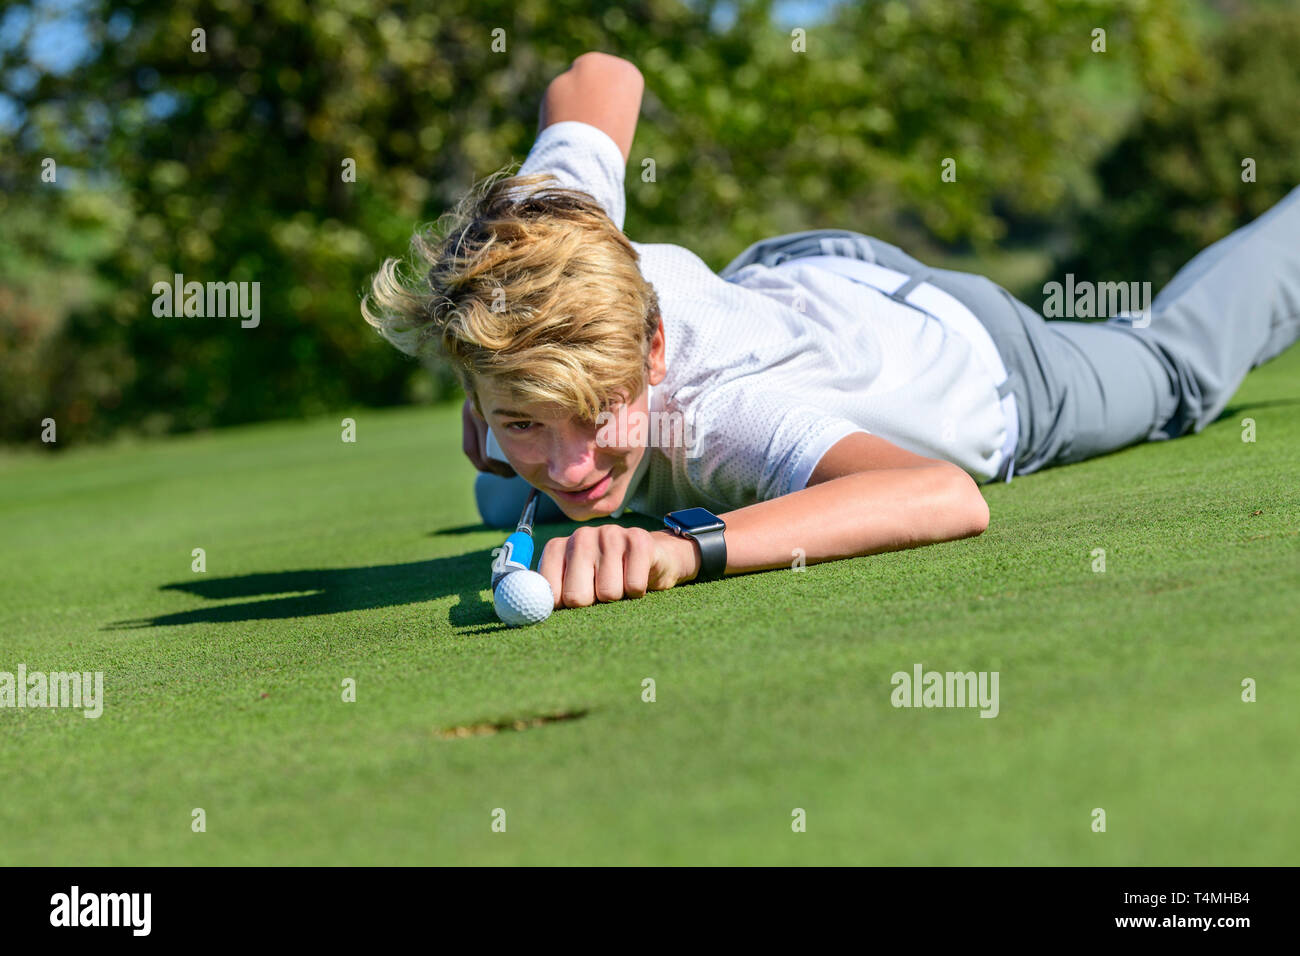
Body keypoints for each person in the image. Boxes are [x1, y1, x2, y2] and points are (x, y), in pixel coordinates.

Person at [362, 52, 1300, 611]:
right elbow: (601, 75)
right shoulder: (542, 242)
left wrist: (687, 546)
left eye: (595, 411)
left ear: (651, 354)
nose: (568, 463)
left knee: (1176, 365)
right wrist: (497, 400)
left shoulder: (726, 414)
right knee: (517, 486)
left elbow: (943, 498)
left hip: (988, 358)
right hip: (804, 273)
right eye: (527, 416)